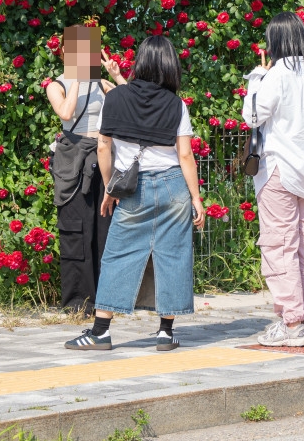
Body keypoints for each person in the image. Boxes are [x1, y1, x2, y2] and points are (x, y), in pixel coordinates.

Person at [64, 35, 205, 352]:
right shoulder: (176, 105)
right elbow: (185, 156)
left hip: (133, 187)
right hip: (173, 187)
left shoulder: (115, 99)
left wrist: (110, 186)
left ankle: (101, 332)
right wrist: (196, 198)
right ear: (170, 66)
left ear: (140, 63)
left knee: (118, 254)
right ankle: (165, 334)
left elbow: (103, 146)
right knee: (173, 257)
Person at [242, 12, 304, 347]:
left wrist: (257, 77)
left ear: (275, 42)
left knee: (279, 245)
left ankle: (292, 323)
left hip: (279, 170)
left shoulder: (277, 74)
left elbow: (252, 115)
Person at [46, 25, 127, 315]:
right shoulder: (56, 84)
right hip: (74, 162)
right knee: (76, 231)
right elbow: (66, 113)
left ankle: (107, 301)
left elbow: (134, 106)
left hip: (104, 158)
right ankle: (78, 303)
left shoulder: (103, 84)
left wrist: (117, 76)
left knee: (105, 230)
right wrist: (78, 79)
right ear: (66, 52)